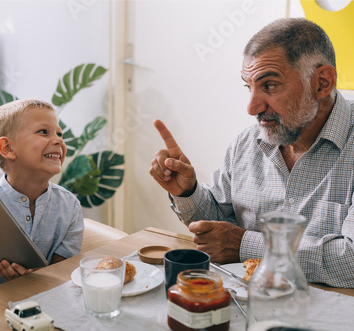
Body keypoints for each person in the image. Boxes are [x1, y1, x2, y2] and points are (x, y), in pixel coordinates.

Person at [149, 18, 354, 288]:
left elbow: (350, 262)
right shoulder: (246, 143)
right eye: (249, 87)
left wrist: (245, 245)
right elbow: (220, 230)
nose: (252, 107)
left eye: (269, 86)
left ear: (322, 83)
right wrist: (187, 191)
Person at [0, 99, 84, 297]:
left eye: (59, 133)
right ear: (7, 148)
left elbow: (63, 272)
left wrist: (36, 277)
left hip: (45, 299)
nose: (59, 141)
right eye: (44, 132)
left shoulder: (69, 206)